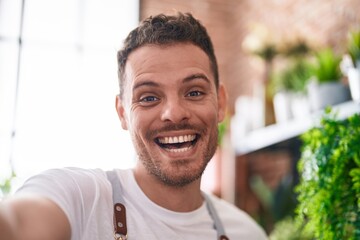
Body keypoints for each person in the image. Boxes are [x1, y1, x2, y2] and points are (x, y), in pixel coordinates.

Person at [0, 12, 268, 240]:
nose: (173, 113)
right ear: (123, 113)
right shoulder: (79, 199)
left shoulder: (246, 233)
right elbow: (17, 224)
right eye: (149, 97)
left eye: (194, 92)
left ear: (220, 103)